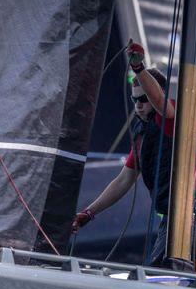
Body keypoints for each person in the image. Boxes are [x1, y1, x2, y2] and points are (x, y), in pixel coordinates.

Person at [73, 41, 175, 266]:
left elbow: (161, 104)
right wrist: (88, 213)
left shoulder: (170, 119)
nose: (138, 105)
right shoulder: (142, 131)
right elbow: (124, 179)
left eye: (143, 99)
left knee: (161, 271)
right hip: (169, 216)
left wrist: (138, 68)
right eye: (134, 100)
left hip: (191, 212)